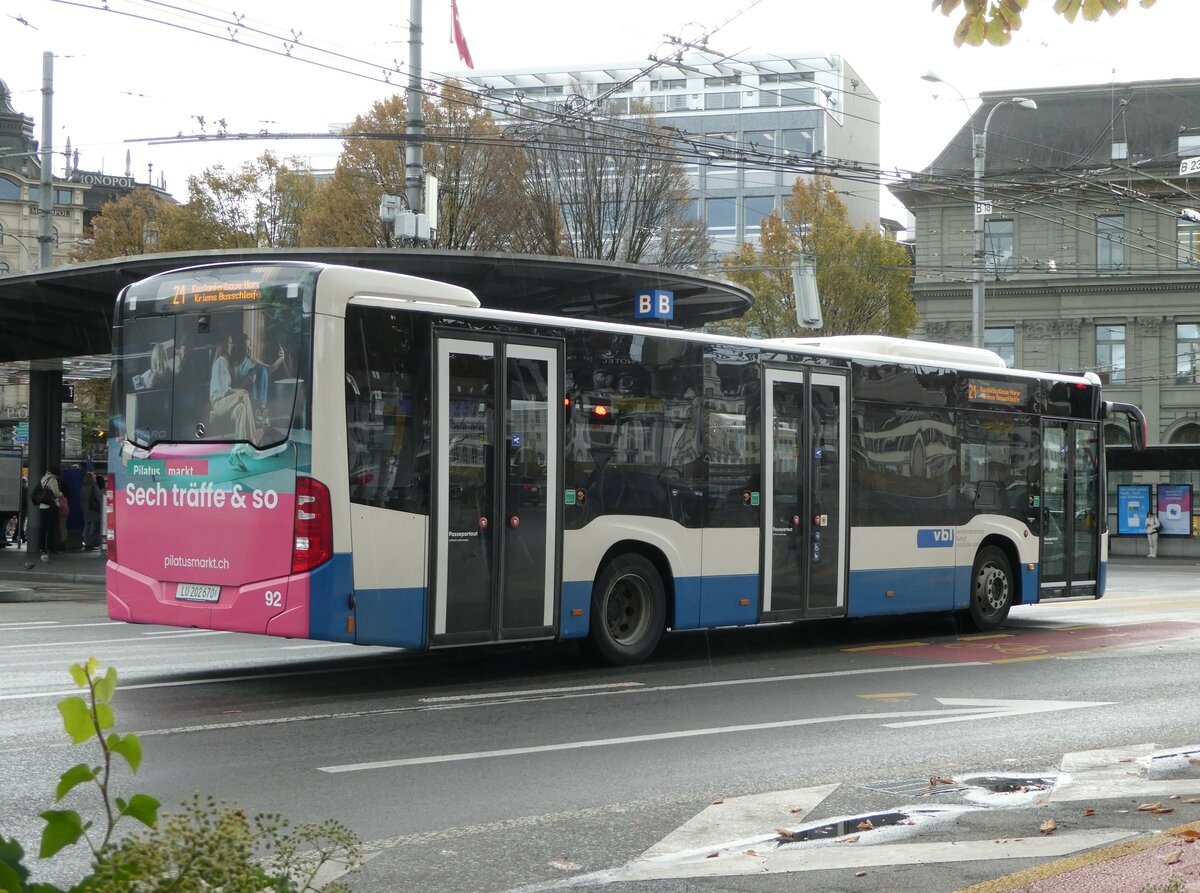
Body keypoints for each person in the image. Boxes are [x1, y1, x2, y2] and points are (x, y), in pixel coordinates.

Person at [209, 334, 256, 441]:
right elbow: (223, 391)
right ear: (224, 346)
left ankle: (240, 443)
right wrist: (237, 392)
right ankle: (251, 437)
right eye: (229, 343)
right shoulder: (219, 363)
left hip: (226, 402)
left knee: (241, 408)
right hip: (219, 403)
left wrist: (239, 390)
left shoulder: (226, 363)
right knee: (244, 395)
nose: (232, 346)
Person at [233, 332, 286, 425]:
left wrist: (280, 359)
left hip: (258, 397)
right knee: (253, 370)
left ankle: (261, 408)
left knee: (262, 369)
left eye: (250, 346)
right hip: (246, 395)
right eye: (246, 347)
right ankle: (257, 408)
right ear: (240, 348)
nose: (249, 349)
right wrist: (246, 381)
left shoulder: (252, 360)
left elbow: (269, 369)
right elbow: (235, 389)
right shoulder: (235, 365)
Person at [33, 466, 62, 562]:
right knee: (51, 528)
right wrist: (61, 493)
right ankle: (50, 548)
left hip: (42, 506)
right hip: (51, 506)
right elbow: (56, 493)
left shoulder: (43, 478)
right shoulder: (53, 480)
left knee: (43, 528)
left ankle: (42, 547)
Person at [81, 471, 102, 550]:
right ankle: (91, 543)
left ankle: (86, 542)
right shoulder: (94, 487)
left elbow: (81, 500)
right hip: (93, 510)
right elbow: (99, 498)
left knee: (86, 526)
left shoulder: (83, 488)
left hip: (86, 510)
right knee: (93, 527)